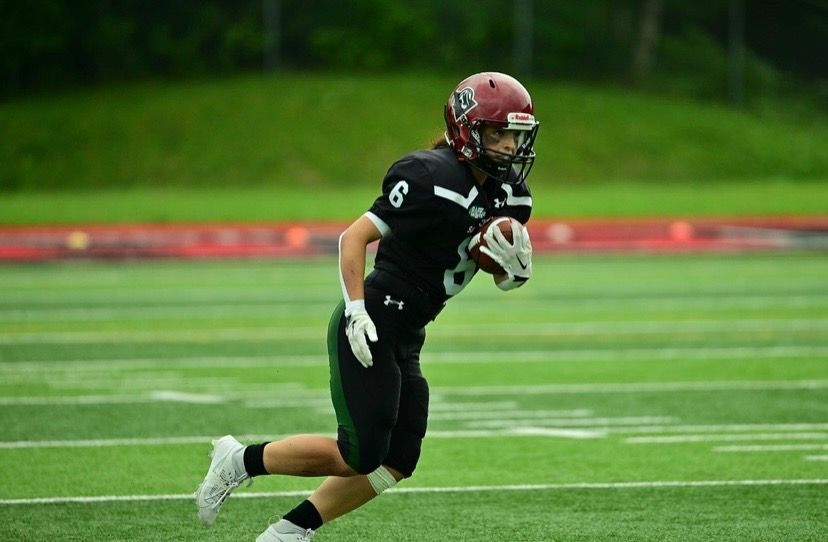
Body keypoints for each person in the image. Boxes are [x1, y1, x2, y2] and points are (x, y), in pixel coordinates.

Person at [195, 71, 539, 541]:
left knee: (398, 460)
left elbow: (488, 262)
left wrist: (511, 269)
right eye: (497, 134)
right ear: (467, 131)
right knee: (359, 453)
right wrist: (356, 309)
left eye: (515, 135)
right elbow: (353, 237)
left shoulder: (513, 195)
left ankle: (288, 531)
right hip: (373, 317)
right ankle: (239, 460)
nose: (508, 146)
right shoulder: (428, 176)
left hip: (410, 329)